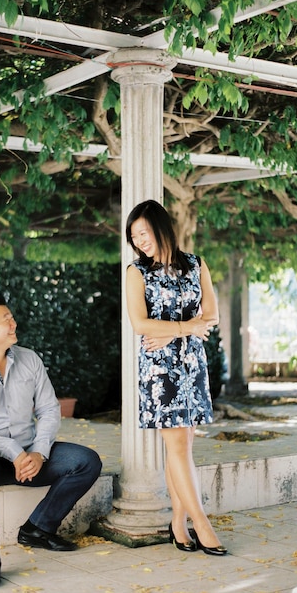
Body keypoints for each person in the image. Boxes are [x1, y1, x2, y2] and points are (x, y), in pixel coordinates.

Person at [0, 291, 102, 588]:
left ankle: (37, 529)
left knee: (85, 461)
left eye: (12, 317)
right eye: (7, 319)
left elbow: (49, 409)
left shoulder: (29, 359)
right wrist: (13, 450)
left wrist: (39, 452)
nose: (14, 323)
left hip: (31, 458)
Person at [125, 199, 227, 556]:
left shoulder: (197, 265)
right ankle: (201, 523)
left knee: (182, 447)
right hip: (160, 369)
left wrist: (172, 332)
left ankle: (177, 524)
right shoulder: (136, 272)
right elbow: (140, 324)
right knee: (179, 447)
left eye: (144, 232)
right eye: (134, 236)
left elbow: (211, 314)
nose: (139, 241)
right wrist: (185, 327)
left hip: (191, 363)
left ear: (161, 227)